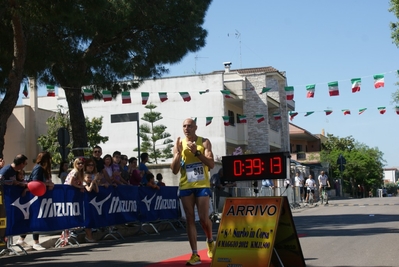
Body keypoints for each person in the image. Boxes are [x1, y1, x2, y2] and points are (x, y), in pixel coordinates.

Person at [170, 118, 215, 265]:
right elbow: (174, 170)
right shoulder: (178, 144)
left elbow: (211, 164)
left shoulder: (204, 142)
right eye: (184, 126)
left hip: (202, 185)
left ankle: (210, 240)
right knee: (190, 218)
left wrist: (197, 153)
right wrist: (178, 153)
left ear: (195, 127)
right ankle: (195, 254)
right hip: (186, 186)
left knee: (203, 219)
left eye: (189, 126)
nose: (186, 128)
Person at [19, 151, 55, 250]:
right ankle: (35, 242)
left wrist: (49, 183)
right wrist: (48, 184)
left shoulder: (42, 169)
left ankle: (21, 239)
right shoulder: (38, 168)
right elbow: (35, 182)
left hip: (39, 195)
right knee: (35, 217)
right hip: (34, 196)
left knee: (33, 218)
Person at [82, 158, 99, 242]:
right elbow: (88, 189)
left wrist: (95, 182)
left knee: (91, 217)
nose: (91, 166)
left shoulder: (93, 175)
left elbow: (97, 190)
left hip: (92, 200)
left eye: (92, 165)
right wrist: (92, 182)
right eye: (89, 165)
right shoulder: (83, 176)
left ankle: (90, 236)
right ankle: (88, 236)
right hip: (85, 200)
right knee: (87, 218)